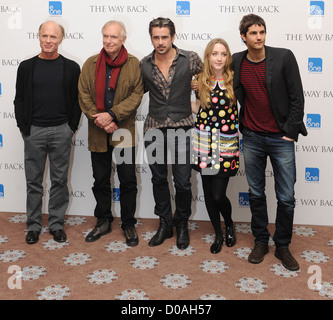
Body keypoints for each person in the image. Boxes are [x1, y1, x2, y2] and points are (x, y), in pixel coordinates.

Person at [232, 14, 307, 271]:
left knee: (286, 197)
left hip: (280, 138)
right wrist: (197, 85)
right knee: (255, 193)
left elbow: (297, 98)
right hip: (251, 137)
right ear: (243, 37)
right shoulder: (236, 60)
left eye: (262, 32)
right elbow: (217, 81)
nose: (259, 37)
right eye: (253, 33)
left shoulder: (283, 57)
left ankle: (283, 246)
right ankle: (261, 241)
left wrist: (289, 133)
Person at [14, 21, 81, 244]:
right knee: (33, 182)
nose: (48, 41)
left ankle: (56, 224)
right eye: (44, 36)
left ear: (61, 39)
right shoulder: (26, 67)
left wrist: (70, 127)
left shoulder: (71, 67)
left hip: (61, 131)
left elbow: (76, 101)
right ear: (39, 37)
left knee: (59, 181)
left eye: (53, 37)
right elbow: (19, 99)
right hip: (34, 132)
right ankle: (33, 226)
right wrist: (25, 128)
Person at [78, 21, 143, 246]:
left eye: (114, 37)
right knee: (100, 179)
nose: (109, 41)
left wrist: (112, 115)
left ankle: (128, 223)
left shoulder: (134, 64)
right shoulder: (90, 63)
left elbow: (135, 96)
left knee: (128, 180)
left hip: (123, 131)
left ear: (123, 39)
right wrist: (102, 120)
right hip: (98, 131)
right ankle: (103, 220)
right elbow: (83, 95)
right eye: (105, 36)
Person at [141, 17, 203, 250]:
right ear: (151, 38)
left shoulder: (191, 58)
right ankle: (165, 223)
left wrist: (199, 88)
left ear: (173, 37)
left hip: (183, 126)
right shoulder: (145, 64)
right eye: (156, 37)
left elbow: (210, 79)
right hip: (154, 128)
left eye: (164, 37)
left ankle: (182, 223)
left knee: (183, 182)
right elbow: (136, 91)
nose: (160, 42)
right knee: (158, 179)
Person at [192, 38, 239, 254]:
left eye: (223, 54)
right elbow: (197, 108)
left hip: (226, 143)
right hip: (204, 143)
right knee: (209, 194)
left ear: (228, 57)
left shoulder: (234, 80)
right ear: (208, 56)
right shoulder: (199, 80)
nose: (219, 58)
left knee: (219, 195)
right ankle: (218, 234)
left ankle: (229, 224)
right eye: (214, 53)